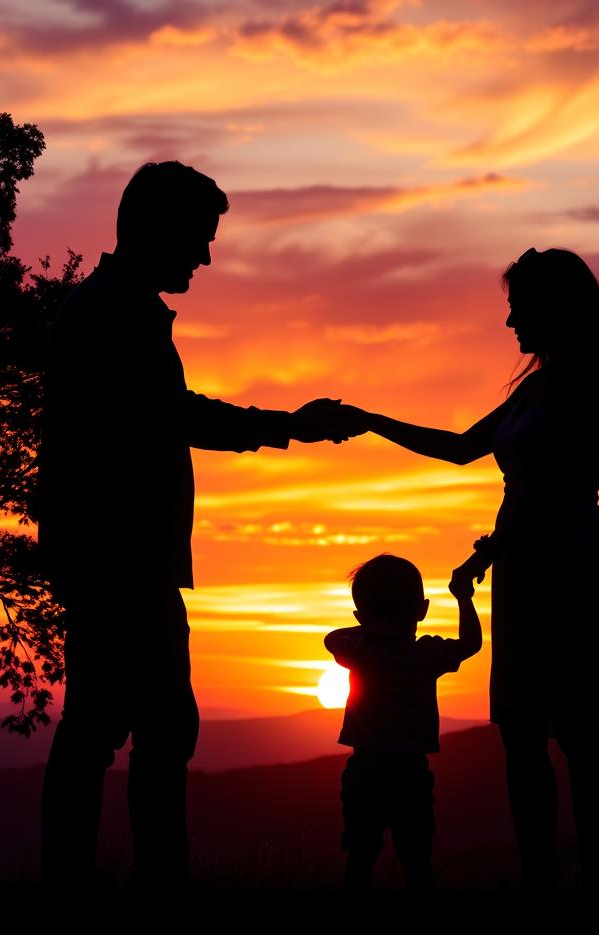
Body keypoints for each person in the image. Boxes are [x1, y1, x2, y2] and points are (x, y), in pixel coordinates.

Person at [36, 160, 362, 896]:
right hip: (120, 557)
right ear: (158, 229)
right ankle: (143, 887)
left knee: (130, 728)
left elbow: (165, 417)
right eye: (199, 238)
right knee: (129, 731)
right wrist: (288, 427)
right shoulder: (113, 315)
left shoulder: (110, 308)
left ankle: (108, 883)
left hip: (115, 555)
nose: (206, 256)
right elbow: (177, 417)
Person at [345, 247, 599, 898]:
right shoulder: (539, 384)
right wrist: (370, 421)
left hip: (571, 562)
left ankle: (593, 879)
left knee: (573, 728)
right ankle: (540, 880)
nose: (510, 322)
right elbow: (464, 450)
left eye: (518, 308)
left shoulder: (590, 378)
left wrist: (493, 549)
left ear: (552, 308)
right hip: (524, 562)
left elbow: (553, 490)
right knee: (520, 731)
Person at [324, 554, 482, 893]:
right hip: (412, 770)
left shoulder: (359, 649)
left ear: (360, 615)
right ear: (421, 610)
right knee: (416, 855)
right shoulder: (425, 655)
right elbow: (471, 644)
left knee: (360, 855)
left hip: (364, 769)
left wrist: (368, 627)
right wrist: (464, 599)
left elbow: (330, 638)